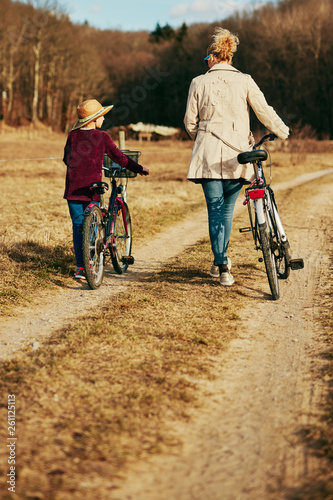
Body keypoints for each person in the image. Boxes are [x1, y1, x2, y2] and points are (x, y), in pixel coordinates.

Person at [184, 28, 289, 286]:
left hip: (208, 156)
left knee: (214, 211)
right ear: (229, 57)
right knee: (226, 212)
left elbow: (189, 123)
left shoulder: (198, 82)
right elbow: (264, 110)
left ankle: (221, 263)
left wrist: (203, 137)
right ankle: (222, 265)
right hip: (237, 155)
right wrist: (282, 131)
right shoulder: (245, 80)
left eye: (206, 58)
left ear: (213, 57)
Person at [63, 99, 149, 279]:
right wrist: (139, 169)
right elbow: (120, 158)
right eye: (102, 116)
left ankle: (81, 267)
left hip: (72, 189)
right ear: (94, 119)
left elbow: (66, 158)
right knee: (93, 227)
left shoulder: (72, 136)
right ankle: (93, 262)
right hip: (91, 189)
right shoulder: (102, 137)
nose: (103, 119)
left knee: (79, 226)